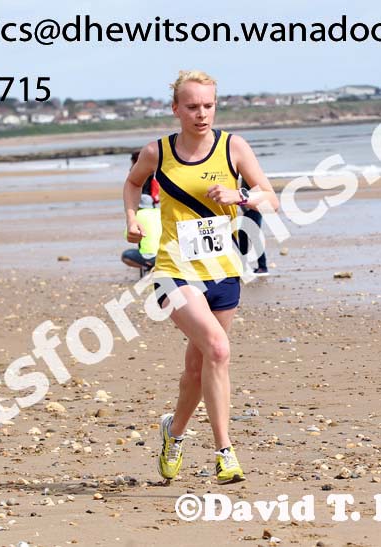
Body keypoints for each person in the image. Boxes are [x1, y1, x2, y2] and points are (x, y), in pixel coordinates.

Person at [123, 70, 279, 484]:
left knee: (198, 367)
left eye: (208, 105)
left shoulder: (234, 148)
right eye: (192, 106)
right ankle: (225, 453)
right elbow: (133, 182)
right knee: (218, 348)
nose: (201, 114)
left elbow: (272, 197)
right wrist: (131, 218)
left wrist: (241, 196)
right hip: (173, 272)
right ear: (175, 109)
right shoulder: (158, 152)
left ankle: (173, 433)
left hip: (223, 271)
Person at [122, 194, 161, 276]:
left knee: (126, 255)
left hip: (150, 256)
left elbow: (128, 236)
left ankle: (148, 266)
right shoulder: (159, 212)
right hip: (164, 254)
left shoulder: (137, 215)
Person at [237, 177, 270, 276]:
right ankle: (247, 266)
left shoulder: (249, 176)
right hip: (252, 211)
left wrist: (247, 207)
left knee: (251, 237)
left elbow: (255, 194)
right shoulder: (245, 175)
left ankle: (262, 267)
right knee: (244, 236)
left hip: (254, 211)